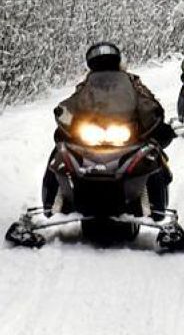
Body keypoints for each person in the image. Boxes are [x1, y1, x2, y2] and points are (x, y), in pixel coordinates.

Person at [44, 41, 176, 217]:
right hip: (90, 134)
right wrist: (64, 116)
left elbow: (147, 101)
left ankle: (156, 209)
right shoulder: (86, 85)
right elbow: (74, 101)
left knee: (151, 153)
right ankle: (52, 206)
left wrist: (154, 117)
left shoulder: (132, 82)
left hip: (125, 134)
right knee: (60, 152)